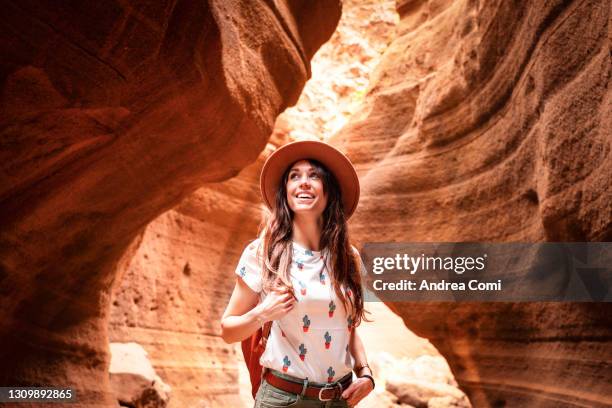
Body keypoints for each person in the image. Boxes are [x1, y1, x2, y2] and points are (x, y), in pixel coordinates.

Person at [221, 140, 374, 407]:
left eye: (314, 175)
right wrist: (263, 313)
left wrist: (366, 374)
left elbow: (347, 329)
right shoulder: (262, 252)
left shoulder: (348, 257)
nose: (303, 182)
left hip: (339, 399)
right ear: (286, 192)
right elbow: (228, 330)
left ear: (329, 192)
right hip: (284, 399)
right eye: (294, 176)